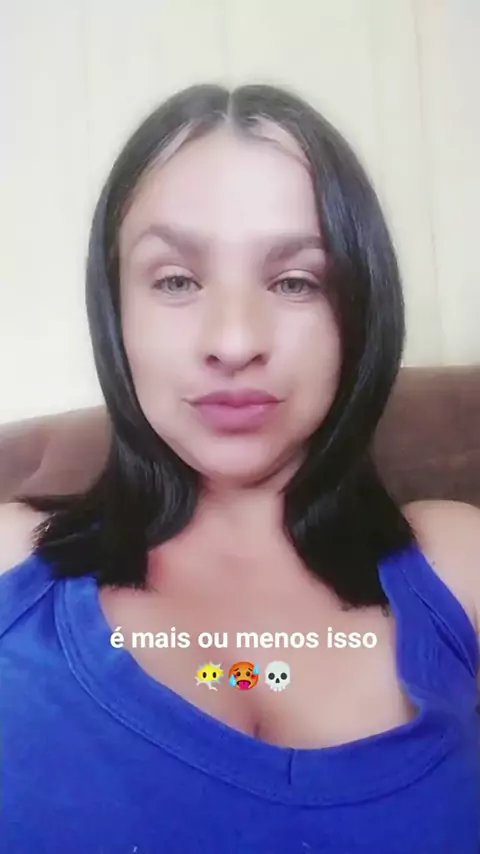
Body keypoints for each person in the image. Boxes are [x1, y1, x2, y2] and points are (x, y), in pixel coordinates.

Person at [0, 83, 479, 853]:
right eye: (176, 280)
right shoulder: (11, 562)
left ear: (360, 310)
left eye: (296, 281)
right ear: (115, 313)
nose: (233, 341)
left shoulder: (457, 562)